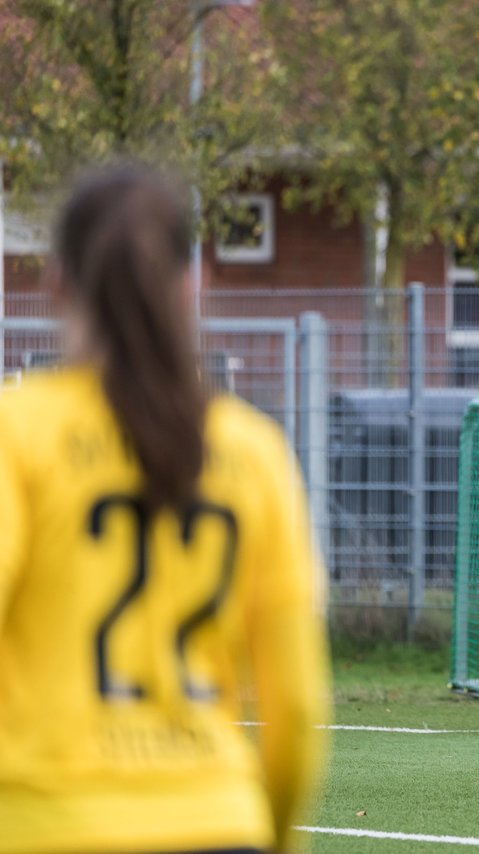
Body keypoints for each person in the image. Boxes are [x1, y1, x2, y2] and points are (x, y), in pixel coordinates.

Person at [0, 164, 330, 854]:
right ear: (189, 286)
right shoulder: (253, 449)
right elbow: (296, 705)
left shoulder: (17, 433)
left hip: (47, 824)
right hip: (216, 820)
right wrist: (263, 832)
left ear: (56, 284)